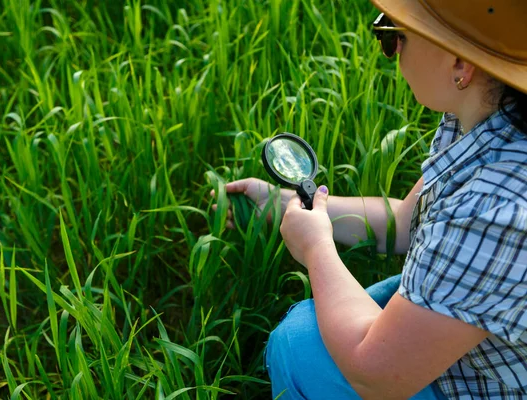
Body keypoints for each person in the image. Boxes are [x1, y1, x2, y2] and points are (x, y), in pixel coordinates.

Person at [211, 0, 527, 398]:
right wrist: (284, 204)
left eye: (394, 35)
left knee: (298, 345)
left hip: (487, 386)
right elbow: (403, 220)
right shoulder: (487, 119)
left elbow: (373, 373)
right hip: (481, 344)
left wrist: (316, 248)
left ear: (461, 66)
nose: (391, 50)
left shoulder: (495, 210)